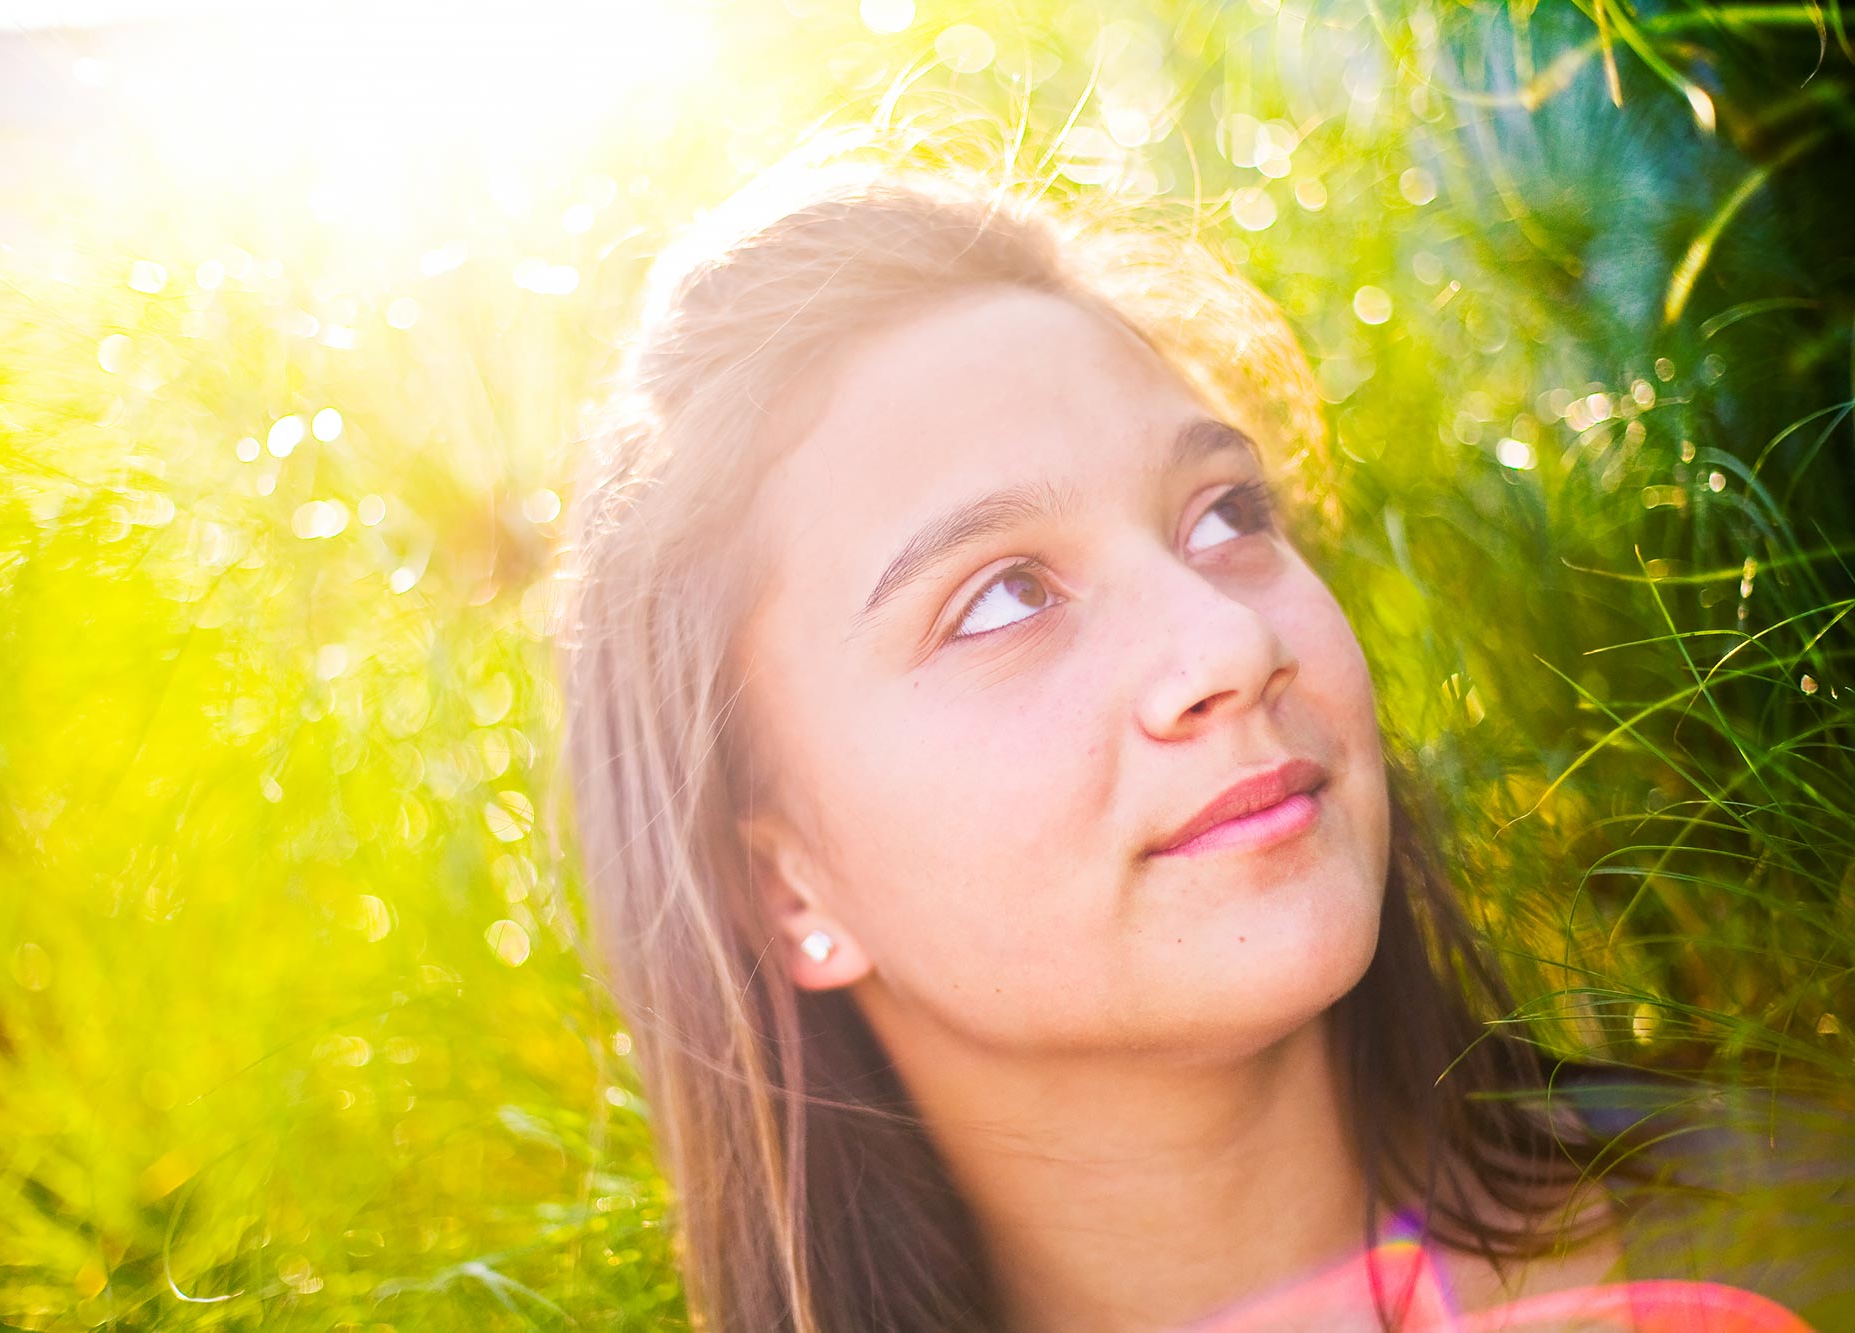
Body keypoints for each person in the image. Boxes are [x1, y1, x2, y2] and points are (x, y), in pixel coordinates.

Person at [548, 150, 1830, 1332]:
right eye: (1002, 597)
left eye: (1223, 514)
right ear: (782, 885)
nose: (1225, 641)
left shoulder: (1807, 1230)